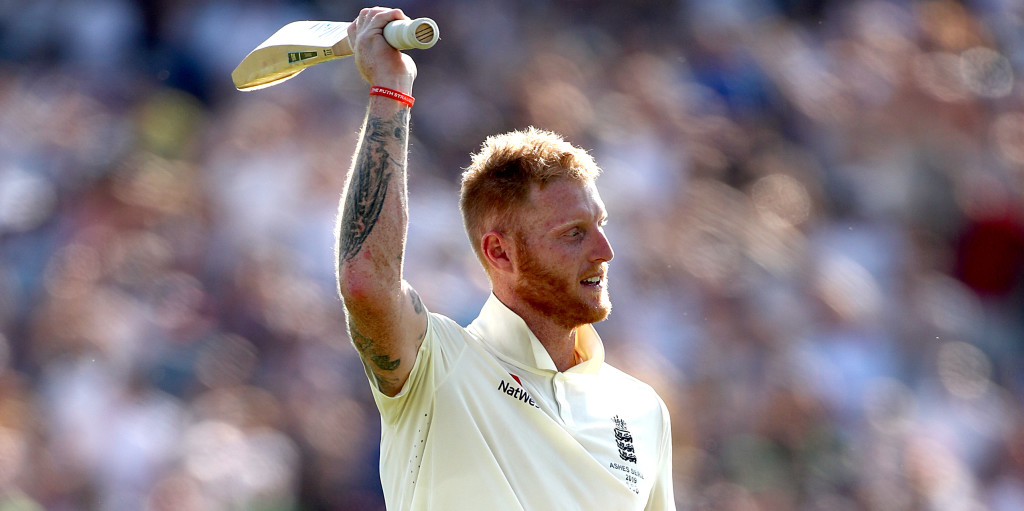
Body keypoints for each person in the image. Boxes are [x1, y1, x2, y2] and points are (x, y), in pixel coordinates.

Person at [336, 7, 674, 510]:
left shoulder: (642, 409)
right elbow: (366, 279)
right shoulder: (437, 365)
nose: (604, 252)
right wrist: (391, 89)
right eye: (573, 234)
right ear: (500, 252)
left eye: (600, 227)